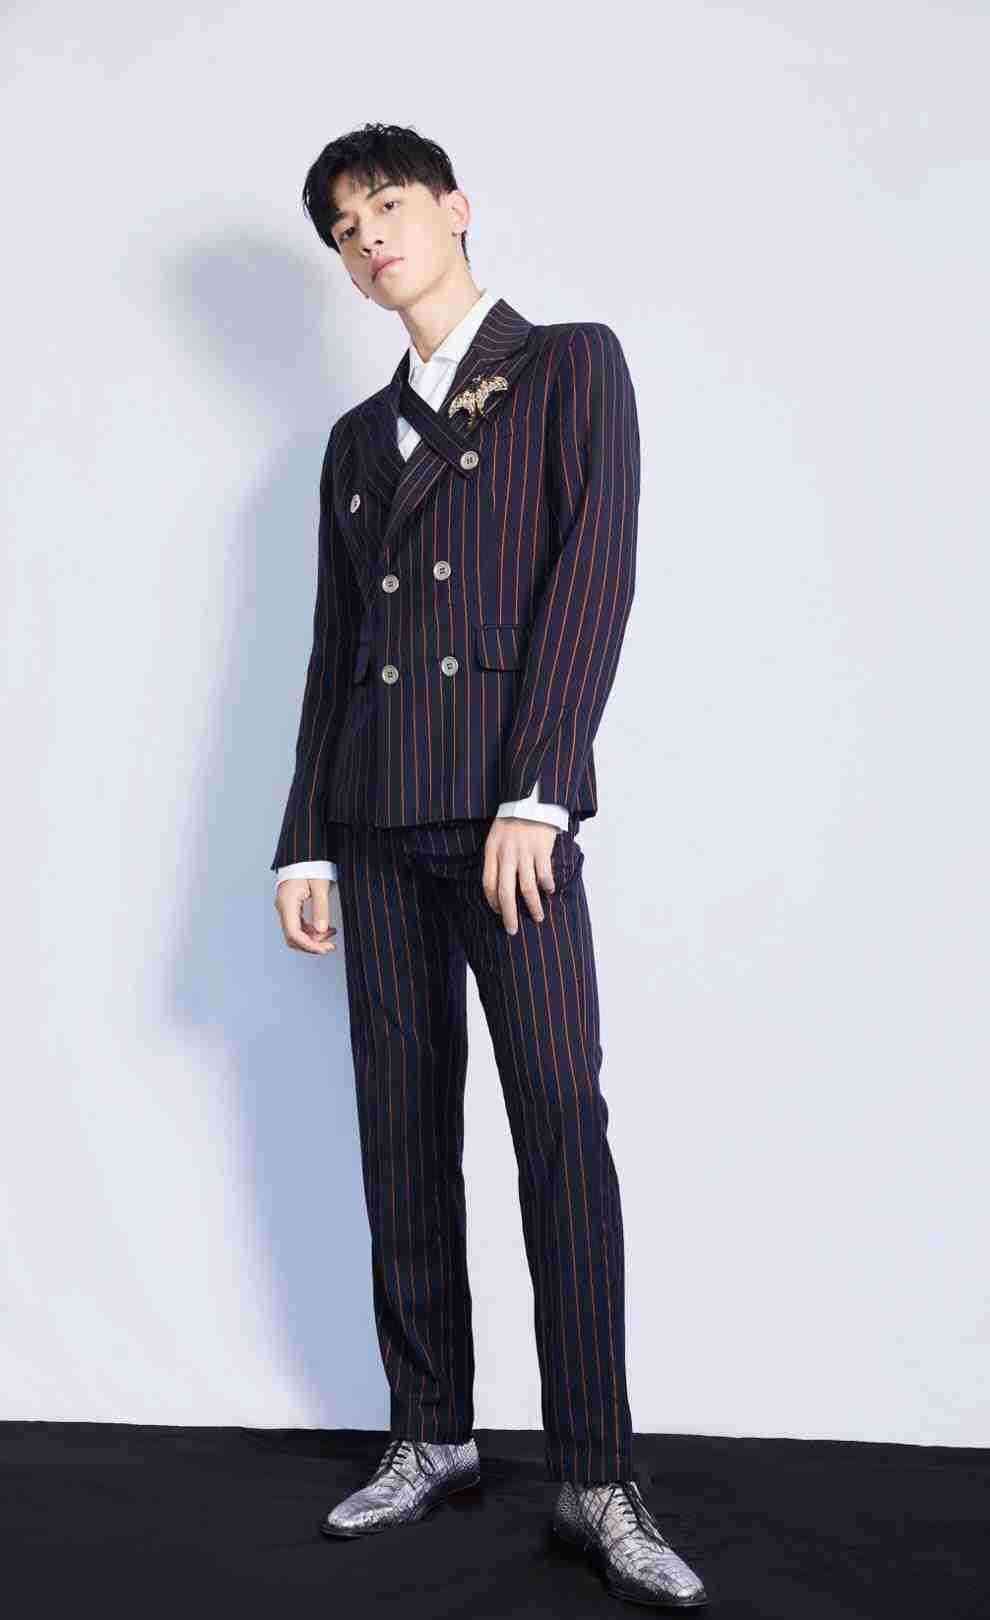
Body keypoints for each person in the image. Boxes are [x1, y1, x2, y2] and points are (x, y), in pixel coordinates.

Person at [270, 122, 707, 1609]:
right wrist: (302, 840)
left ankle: (597, 1472)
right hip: (376, 819)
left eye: (389, 205)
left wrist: (543, 789)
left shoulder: (568, 367)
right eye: (345, 229)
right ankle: (432, 1430)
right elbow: (336, 650)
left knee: (558, 1127)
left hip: (507, 819)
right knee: (400, 1132)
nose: (370, 238)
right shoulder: (354, 442)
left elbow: (596, 570)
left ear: (455, 208)